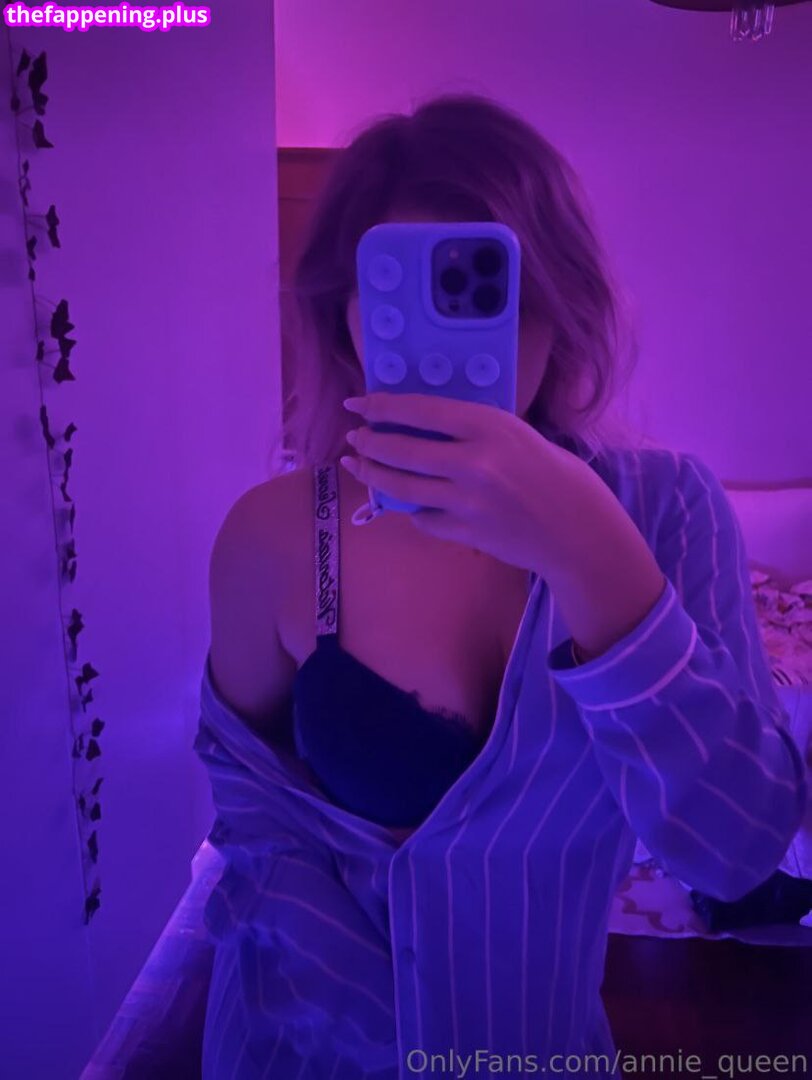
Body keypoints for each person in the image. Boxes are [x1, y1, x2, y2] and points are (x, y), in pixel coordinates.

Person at [195, 92, 806, 1079]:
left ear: (558, 309)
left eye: (488, 288)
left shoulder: (667, 513)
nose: (448, 338)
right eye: (399, 291)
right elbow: (257, 828)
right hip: (299, 1051)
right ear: (345, 317)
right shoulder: (274, 534)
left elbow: (736, 851)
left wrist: (590, 555)